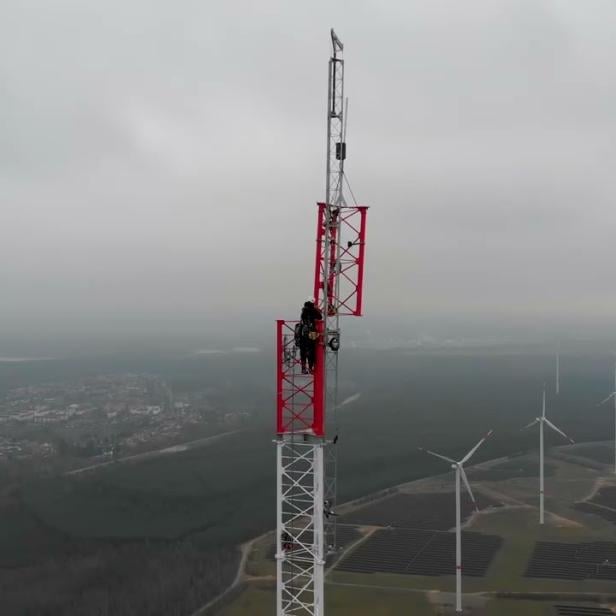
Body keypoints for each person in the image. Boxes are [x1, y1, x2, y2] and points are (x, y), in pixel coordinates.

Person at [299, 297, 322, 374]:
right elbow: (319, 317)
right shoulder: (313, 310)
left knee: (303, 351)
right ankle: (310, 368)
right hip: (311, 332)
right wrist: (317, 310)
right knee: (311, 350)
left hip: (303, 332)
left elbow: (303, 320)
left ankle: (303, 368)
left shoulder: (303, 311)